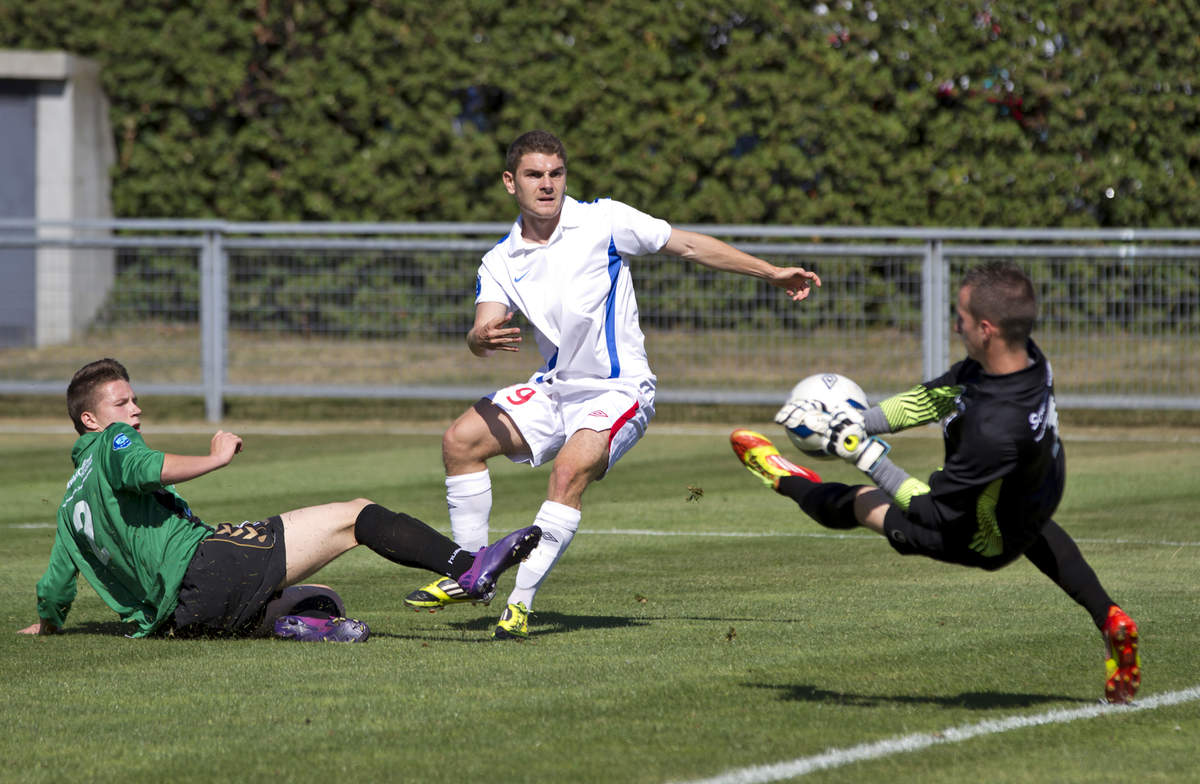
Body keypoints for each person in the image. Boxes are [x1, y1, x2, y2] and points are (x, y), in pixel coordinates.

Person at [403, 129, 821, 639]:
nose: (548, 184)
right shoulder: (500, 259)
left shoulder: (603, 220)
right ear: (510, 182)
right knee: (460, 441)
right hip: (556, 387)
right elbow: (481, 326)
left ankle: (519, 603)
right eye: (535, 175)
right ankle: (472, 572)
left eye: (556, 174)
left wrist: (771, 271)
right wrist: (479, 337)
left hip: (619, 389)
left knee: (569, 470)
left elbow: (687, 244)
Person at [730, 261, 1141, 703]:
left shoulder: (992, 429)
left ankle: (786, 479)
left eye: (960, 317)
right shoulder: (1025, 358)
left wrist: (858, 450)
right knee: (1023, 520)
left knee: (862, 504)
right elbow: (936, 396)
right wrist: (860, 421)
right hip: (1037, 490)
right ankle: (1110, 616)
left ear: (986, 329)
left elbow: (933, 511)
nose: (954, 323)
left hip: (983, 536)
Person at [20, 358, 541, 641]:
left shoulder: (70, 505)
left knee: (324, 596)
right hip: (205, 566)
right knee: (357, 515)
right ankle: (468, 566)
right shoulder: (113, 443)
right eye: (122, 401)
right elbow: (144, 464)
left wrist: (49, 622)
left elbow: (56, 582)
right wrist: (215, 458)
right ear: (90, 420)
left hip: (179, 620)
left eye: (134, 398)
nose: (135, 408)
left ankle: (296, 625)